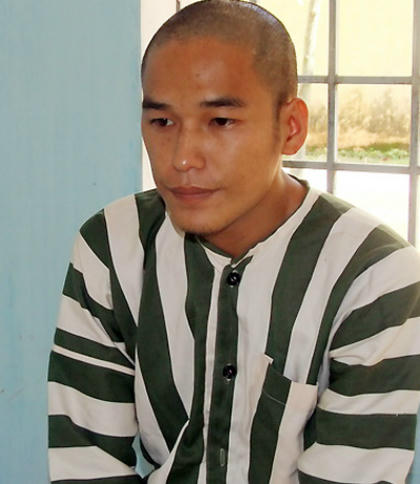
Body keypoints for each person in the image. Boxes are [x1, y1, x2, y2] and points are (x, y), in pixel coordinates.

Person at [48, 1, 420, 482]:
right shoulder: (113, 247)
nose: (183, 158)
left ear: (291, 127)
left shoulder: (374, 276)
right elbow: (86, 463)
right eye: (162, 122)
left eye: (220, 121)